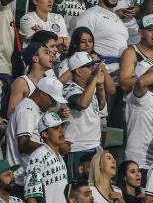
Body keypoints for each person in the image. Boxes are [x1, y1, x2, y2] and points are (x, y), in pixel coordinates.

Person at [6, 77, 67, 192]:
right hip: (21, 181)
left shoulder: (35, 109)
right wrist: (53, 148)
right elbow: (23, 144)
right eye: (53, 100)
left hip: (29, 179)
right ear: (41, 93)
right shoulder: (27, 110)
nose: (53, 104)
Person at [75, 0, 129, 79]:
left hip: (123, 70)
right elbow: (78, 45)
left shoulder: (117, 18)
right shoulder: (90, 14)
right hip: (103, 72)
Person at [63, 51, 106, 180]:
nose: (93, 69)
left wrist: (100, 85)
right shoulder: (69, 89)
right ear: (78, 71)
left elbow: (101, 105)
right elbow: (82, 104)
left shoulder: (89, 88)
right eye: (89, 66)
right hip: (78, 150)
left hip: (95, 147)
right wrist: (94, 80)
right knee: (78, 189)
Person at [24, 112, 68, 203]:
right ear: (45, 134)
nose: (61, 131)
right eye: (56, 128)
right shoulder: (39, 155)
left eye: (62, 127)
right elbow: (31, 194)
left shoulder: (59, 156)